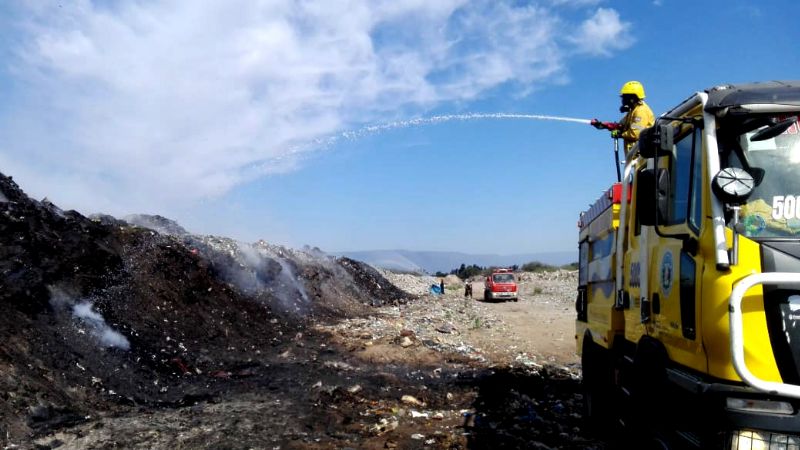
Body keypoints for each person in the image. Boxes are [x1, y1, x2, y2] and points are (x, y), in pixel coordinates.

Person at [591, 80, 655, 152]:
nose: (622, 100)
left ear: (632, 98)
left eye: (624, 97)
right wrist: (603, 125)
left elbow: (635, 133)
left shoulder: (640, 111)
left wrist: (620, 134)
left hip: (641, 155)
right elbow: (620, 125)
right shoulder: (632, 111)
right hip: (634, 155)